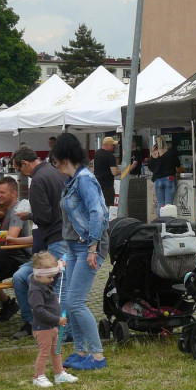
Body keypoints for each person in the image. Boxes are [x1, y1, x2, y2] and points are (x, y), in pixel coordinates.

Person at [51, 132, 109, 371]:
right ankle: (81, 351)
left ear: (64, 158)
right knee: (68, 300)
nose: (55, 165)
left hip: (88, 245)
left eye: (56, 160)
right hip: (75, 246)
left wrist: (93, 247)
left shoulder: (84, 179)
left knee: (75, 302)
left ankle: (97, 356)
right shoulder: (72, 181)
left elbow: (97, 212)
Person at [10, 144, 70, 341]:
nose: (21, 174)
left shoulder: (37, 180)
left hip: (55, 239)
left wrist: (29, 216)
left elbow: (44, 217)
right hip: (60, 238)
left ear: (25, 163)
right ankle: (30, 322)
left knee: (45, 284)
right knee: (20, 277)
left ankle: (53, 328)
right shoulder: (55, 171)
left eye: (19, 169)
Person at [27, 251, 78, 387]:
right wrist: (56, 320)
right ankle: (38, 376)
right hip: (43, 328)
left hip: (53, 327)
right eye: (50, 277)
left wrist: (60, 267)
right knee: (44, 353)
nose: (52, 280)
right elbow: (38, 311)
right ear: (39, 274)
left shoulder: (43, 282)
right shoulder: (36, 290)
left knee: (56, 351)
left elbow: (52, 278)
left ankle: (59, 373)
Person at [0, 176, 34, 321]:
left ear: (14, 193)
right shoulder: (5, 211)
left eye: (3, 192)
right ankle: (7, 303)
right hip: (8, 255)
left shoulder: (17, 211)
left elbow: (11, 238)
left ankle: (8, 303)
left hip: (18, 257)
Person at [145, 135, 181, 212]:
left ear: (155, 144)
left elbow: (150, 167)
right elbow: (178, 164)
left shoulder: (154, 154)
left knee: (160, 206)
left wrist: (152, 153)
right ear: (165, 142)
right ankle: (167, 223)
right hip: (169, 179)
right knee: (169, 206)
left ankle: (160, 223)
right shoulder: (171, 153)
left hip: (158, 180)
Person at [92, 137, 120, 207]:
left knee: (98, 204)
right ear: (108, 145)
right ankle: (106, 218)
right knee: (107, 205)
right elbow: (114, 172)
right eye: (113, 145)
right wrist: (121, 171)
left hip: (97, 183)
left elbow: (94, 167)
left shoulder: (97, 153)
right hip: (107, 185)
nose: (114, 147)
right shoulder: (110, 156)